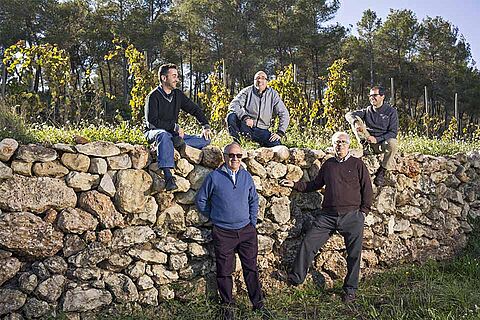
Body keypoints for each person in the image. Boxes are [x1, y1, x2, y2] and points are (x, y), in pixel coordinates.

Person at [280, 132, 373, 304]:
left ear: (349, 145)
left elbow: (367, 189)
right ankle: (295, 279)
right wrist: (295, 185)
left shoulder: (358, 164)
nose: (340, 145)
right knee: (308, 243)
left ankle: (350, 290)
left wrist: (363, 212)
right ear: (333, 145)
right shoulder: (329, 165)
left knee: (354, 254)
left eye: (343, 142)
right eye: (337, 142)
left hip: (352, 216)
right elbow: (315, 184)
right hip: (328, 216)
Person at [195, 142, 272, 320]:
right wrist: (215, 217)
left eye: (238, 156)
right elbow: (201, 201)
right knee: (224, 271)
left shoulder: (246, 177)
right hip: (223, 233)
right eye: (231, 155)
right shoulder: (214, 177)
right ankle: (228, 307)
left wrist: (252, 223)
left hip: (246, 232)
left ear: (242, 157)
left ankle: (258, 305)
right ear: (224, 156)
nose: (235, 159)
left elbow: (254, 200)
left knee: (251, 269)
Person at [145, 63, 211, 191]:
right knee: (163, 135)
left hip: (173, 135)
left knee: (205, 140)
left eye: (177, 76)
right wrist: (174, 127)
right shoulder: (153, 96)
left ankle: (174, 144)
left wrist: (205, 125)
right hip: (154, 132)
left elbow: (194, 109)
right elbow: (151, 122)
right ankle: (168, 177)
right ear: (164, 78)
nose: (177, 79)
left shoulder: (177, 95)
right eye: (174, 76)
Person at [345, 85, 398, 187]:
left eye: (374, 95)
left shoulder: (391, 112)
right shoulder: (367, 110)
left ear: (382, 96)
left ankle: (382, 171)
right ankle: (365, 147)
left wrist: (377, 139)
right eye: (370, 95)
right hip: (367, 141)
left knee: (393, 143)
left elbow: (393, 133)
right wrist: (355, 122)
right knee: (356, 120)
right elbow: (348, 114)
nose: (371, 98)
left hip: (381, 143)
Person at [226, 71, 290, 147]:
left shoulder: (273, 94)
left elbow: (284, 113)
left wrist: (280, 132)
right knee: (231, 116)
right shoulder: (247, 91)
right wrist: (245, 117)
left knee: (276, 145)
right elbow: (233, 104)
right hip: (247, 128)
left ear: (267, 81)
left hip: (262, 130)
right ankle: (237, 144)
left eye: (263, 78)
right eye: (257, 78)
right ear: (254, 81)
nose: (260, 80)